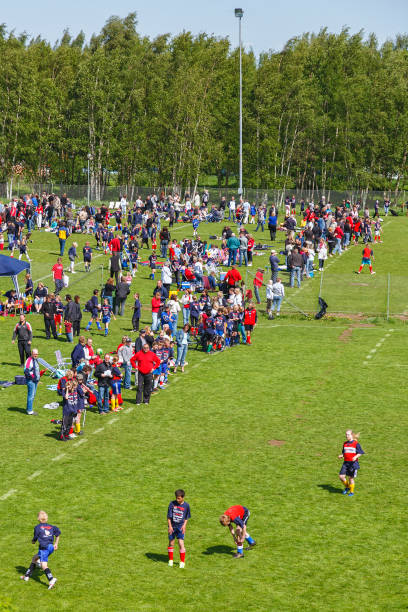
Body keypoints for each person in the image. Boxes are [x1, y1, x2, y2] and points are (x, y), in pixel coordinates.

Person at [20, 510, 60, 589]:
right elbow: (58, 534)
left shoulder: (37, 527)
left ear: (38, 519)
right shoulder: (52, 527)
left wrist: (33, 541)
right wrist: (56, 544)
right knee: (35, 558)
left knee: (43, 565)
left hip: (44, 548)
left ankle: (51, 579)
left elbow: (35, 538)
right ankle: (27, 576)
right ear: (47, 518)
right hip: (51, 547)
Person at [167, 489, 191, 568]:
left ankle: (182, 562)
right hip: (172, 527)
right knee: (171, 543)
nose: (177, 500)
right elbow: (169, 517)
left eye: (179, 498)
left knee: (181, 543)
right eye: (177, 498)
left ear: (183, 497)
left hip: (180, 527)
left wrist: (184, 526)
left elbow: (187, 517)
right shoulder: (172, 504)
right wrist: (170, 526)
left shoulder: (186, 506)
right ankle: (170, 560)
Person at [338, 429, 365, 496]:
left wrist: (355, 457)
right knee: (341, 476)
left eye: (348, 434)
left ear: (352, 435)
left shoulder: (356, 444)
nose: (347, 436)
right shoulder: (345, 443)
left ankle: (351, 492)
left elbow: (360, 452)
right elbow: (345, 453)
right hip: (346, 463)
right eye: (346, 434)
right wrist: (342, 455)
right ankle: (347, 487)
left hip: (353, 464)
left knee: (350, 478)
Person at [24, 348, 40, 415]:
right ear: (31, 354)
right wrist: (32, 378)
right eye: (34, 354)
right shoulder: (29, 360)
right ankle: (29, 410)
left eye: (37, 354)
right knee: (31, 395)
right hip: (31, 381)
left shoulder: (36, 360)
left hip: (35, 381)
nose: (36, 355)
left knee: (33, 395)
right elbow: (26, 371)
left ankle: (29, 408)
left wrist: (38, 379)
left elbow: (36, 370)